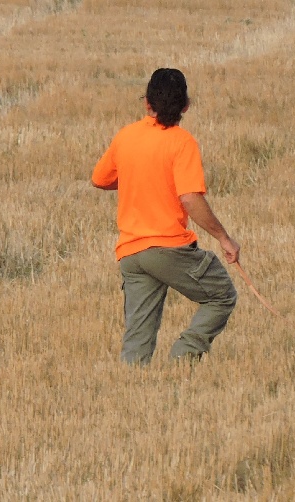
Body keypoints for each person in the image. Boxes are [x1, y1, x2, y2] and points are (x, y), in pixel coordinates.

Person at [92, 68, 240, 365]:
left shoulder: (126, 136)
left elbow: (100, 179)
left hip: (131, 253)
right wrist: (224, 238)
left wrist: (138, 175)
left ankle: (131, 391)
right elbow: (189, 198)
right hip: (168, 248)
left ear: (147, 102)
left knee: (137, 340)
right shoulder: (182, 142)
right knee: (221, 295)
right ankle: (183, 358)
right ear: (186, 105)